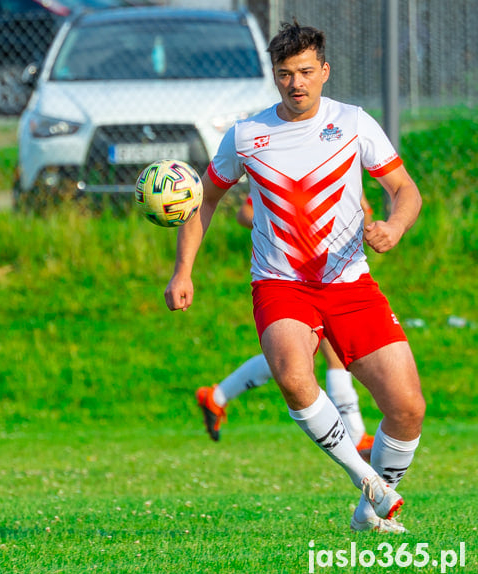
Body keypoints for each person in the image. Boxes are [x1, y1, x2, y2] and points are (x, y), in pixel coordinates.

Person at [164, 21, 424, 533]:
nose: (296, 83)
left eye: (306, 72)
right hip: (280, 283)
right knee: (291, 373)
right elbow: (205, 201)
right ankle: (366, 481)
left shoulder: (353, 122)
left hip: (350, 284)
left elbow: (405, 189)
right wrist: (182, 271)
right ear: (275, 78)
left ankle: (367, 514)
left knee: (408, 407)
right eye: (285, 74)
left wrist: (394, 226)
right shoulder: (246, 135)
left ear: (324, 72)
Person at [196, 195, 376, 462]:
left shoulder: (342, 159)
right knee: (329, 355)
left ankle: (217, 395)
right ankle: (356, 434)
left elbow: (365, 214)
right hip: (290, 277)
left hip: (334, 271)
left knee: (292, 359)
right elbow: (245, 213)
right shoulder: (285, 164)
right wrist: (287, 227)